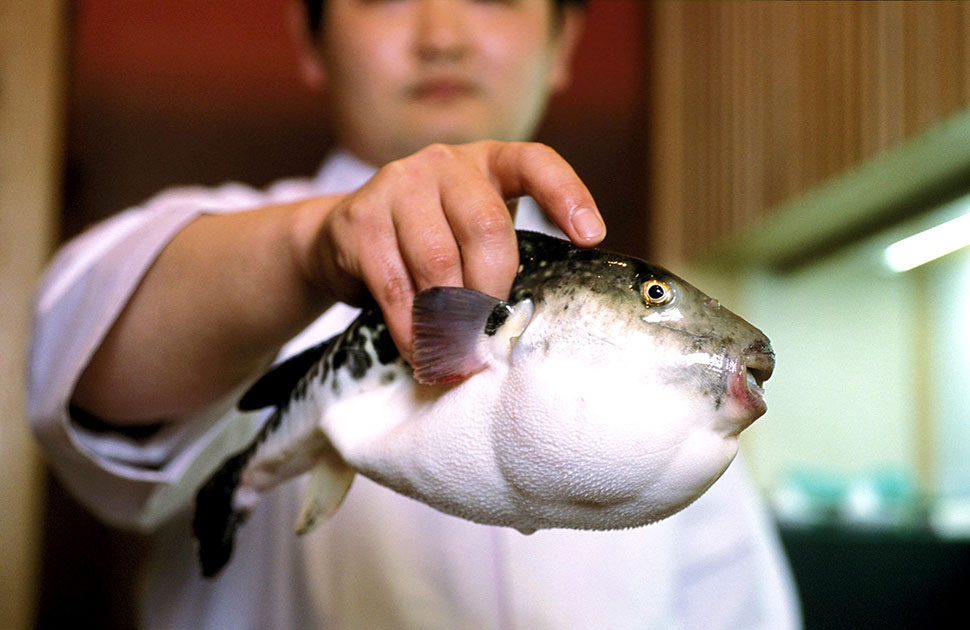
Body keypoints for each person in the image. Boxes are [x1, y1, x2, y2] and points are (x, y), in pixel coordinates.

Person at [28, 0, 801, 627]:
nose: (442, 35)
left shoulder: (665, 391)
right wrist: (308, 247)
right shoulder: (223, 245)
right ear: (310, 37)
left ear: (564, 40)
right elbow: (84, 357)